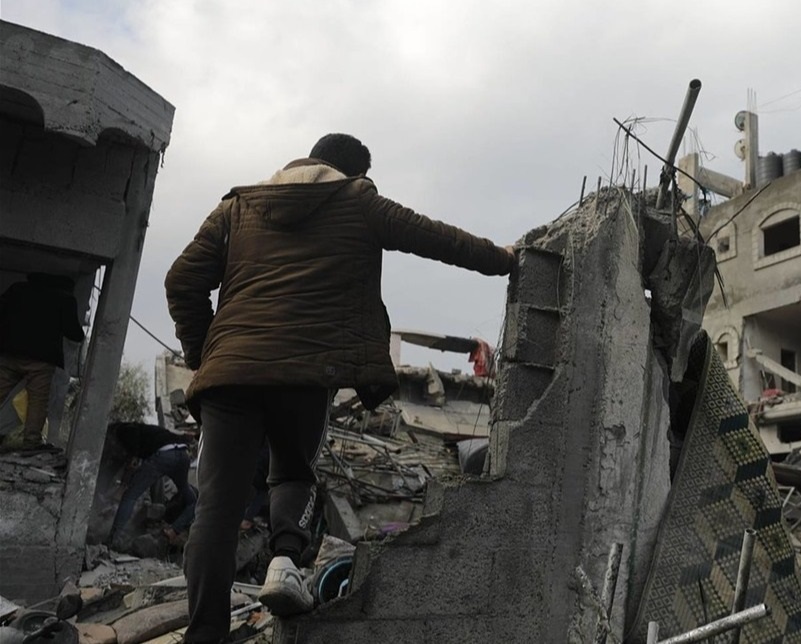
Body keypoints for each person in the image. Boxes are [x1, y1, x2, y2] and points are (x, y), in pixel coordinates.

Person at [165, 133, 515, 643]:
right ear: (358, 173)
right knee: (293, 472)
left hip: (229, 376)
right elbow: (436, 238)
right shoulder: (357, 199)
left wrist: (204, 357)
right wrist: (504, 258)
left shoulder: (237, 207)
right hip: (306, 371)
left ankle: (204, 636)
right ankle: (285, 562)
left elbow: (181, 280)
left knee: (215, 509)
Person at [0, 273, 85, 452]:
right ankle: (31, 443)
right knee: (37, 401)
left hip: (10, 352)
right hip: (41, 360)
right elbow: (74, 333)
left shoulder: (17, 289)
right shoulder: (65, 299)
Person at [107, 421, 197, 546]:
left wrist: (123, 484)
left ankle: (113, 539)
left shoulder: (124, 430)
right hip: (183, 455)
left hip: (164, 455)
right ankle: (173, 530)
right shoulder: (153, 432)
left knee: (130, 496)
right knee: (192, 501)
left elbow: (133, 461)